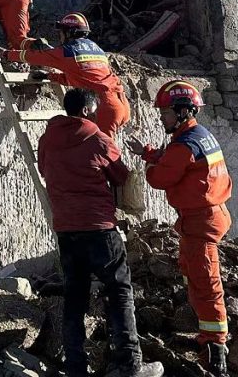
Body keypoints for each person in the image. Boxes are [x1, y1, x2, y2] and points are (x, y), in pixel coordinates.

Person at [38, 88, 164, 377]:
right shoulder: (98, 139)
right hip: (99, 230)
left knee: (75, 297)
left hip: (67, 231)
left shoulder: (47, 139)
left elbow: (45, 170)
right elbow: (120, 176)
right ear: (85, 111)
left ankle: (75, 367)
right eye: (94, 111)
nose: (97, 115)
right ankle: (130, 365)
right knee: (119, 292)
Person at [126, 80, 233, 377]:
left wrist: (146, 168)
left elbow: (161, 177)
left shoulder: (185, 144)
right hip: (205, 216)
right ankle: (207, 339)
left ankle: (215, 350)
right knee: (193, 271)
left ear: (183, 111)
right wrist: (148, 152)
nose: (162, 117)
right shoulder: (197, 136)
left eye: (166, 112)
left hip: (201, 221)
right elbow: (175, 159)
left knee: (206, 283)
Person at [0, 13, 130, 135]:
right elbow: (83, 78)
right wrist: (49, 76)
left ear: (69, 33)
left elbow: (33, 56)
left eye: (61, 32)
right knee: (99, 153)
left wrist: (5, 53)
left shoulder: (67, 52)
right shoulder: (96, 49)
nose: (60, 36)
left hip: (106, 107)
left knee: (100, 157)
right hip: (121, 104)